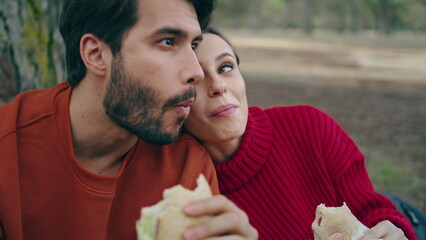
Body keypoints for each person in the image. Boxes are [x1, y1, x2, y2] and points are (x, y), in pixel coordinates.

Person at [0, 0, 258, 239]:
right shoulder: (8, 147)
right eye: (168, 41)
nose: (195, 72)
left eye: (192, 45)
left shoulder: (186, 169)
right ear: (96, 55)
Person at [183, 27, 418, 240]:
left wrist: (393, 231)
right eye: (195, 80)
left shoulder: (310, 126)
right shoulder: (178, 188)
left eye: (225, 67)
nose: (218, 86)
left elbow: (372, 211)